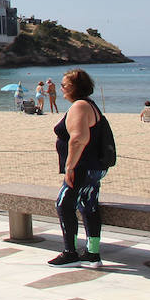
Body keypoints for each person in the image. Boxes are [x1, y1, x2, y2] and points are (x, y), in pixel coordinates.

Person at [50, 68, 110, 269]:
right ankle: (93, 253)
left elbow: (79, 138)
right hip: (94, 167)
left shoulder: (79, 106)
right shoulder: (89, 105)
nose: (61, 89)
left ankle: (70, 252)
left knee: (64, 204)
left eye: (64, 85)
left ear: (74, 87)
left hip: (82, 166)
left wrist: (69, 166)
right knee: (88, 206)